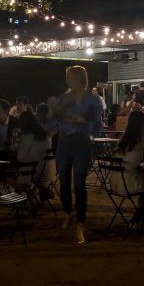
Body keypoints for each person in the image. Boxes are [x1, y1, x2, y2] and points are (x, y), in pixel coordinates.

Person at [50, 65, 102, 245]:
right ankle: (68, 212)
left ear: (79, 78)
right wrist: (53, 111)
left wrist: (85, 123)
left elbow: (98, 125)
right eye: (67, 76)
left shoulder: (92, 99)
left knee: (79, 184)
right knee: (63, 182)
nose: (67, 80)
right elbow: (53, 122)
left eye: (70, 76)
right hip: (64, 142)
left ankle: (80, 223)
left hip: (81, 142)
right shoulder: (63, 98)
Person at [112, 110, 144, 228]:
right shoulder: (142, 139)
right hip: (127, 183)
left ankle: (142, 211)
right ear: (142, 124)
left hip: (115, 182)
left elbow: (132, 159)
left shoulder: (123, 139)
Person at [14, 110, 52, 195]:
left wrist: (17, 147)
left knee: (8, 174)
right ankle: (43, 190)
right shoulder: (45, 134)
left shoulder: (27, 136)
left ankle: (28, 196)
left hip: (32, 171)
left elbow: (20, 158)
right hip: (45, 169)